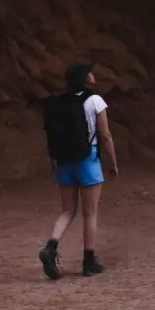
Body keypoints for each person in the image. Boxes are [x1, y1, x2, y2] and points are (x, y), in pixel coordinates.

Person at [38, 62, 119, 279]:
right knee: (90, 213)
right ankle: (89, 261)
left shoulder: (61, 102)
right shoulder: (95, 101)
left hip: (64, 161)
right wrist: (113, 162)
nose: (93, 74)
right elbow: (105, 135)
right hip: (88, 160)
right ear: (85, 77)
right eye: (90, 72)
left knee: (67, 210)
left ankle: (51, 247)